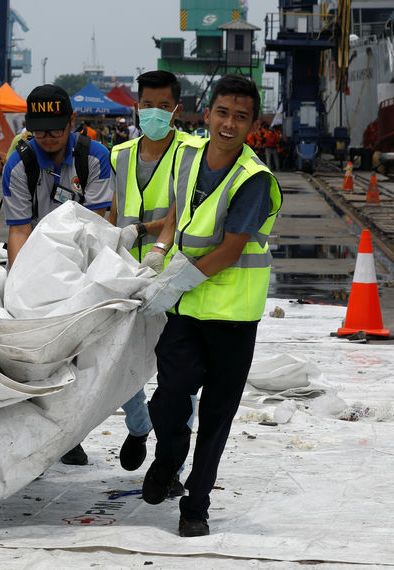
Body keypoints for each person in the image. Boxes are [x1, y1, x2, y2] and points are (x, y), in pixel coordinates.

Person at [138, 74, 281, 537]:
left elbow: (232, 248)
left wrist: (177, 282)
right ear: (208, 114)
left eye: (241, 117)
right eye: (222, 113)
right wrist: (159, 247)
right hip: (185, 314)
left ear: (252, 125)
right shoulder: (189, 154)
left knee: (217, 418)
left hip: (232, 319)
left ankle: (195, 507)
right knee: (169, 398)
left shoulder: (254, 179)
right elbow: (180, 214)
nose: (229, 124)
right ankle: (168, 458)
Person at [1, 84, 113, 465]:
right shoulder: (19, 163)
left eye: (55, 128)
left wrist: (82, 287)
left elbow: (96, 227)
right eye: (39, 128)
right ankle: (39, 435)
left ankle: (72, 434)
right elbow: (18, 229)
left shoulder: (94, 158)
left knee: (82, 356)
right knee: (37, 357)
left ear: (72, 122)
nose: (47, 136)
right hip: (35, 261)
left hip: (79, 261)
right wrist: (19, 288)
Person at [108, 70, 193, 492]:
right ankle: (139, 426)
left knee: (177, 375)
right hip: (125, 272)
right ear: (136, 106)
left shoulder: (192, 153)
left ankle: (171, 463)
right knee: (121, 363)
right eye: (148, 105)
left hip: (173, 275)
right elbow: (114, 210)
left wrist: (159, 245)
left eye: (163, 106)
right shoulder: (120, 154)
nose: (154, 113)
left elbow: (183, 214)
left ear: (176, 109)